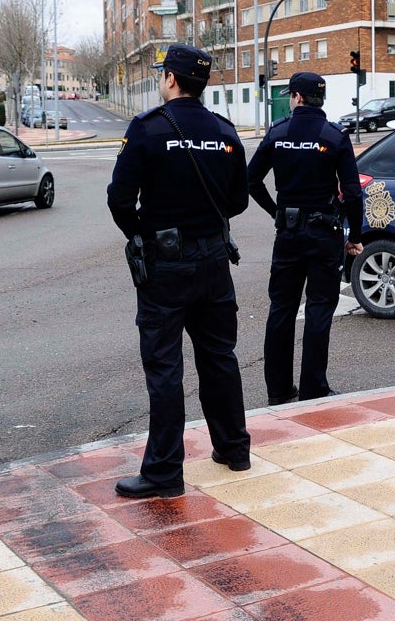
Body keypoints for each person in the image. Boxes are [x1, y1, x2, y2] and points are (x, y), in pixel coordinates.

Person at [106, 44, 251, 499]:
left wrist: (144, 234)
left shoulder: (148, 129)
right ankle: (234, 449)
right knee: (219, 356)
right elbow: (239, 201)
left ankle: (165, 473)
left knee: (165, 367)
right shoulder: (225, 131)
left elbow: (119, 199)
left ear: (170, 79)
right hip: (213, 260)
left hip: (166, 265)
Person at [247, 72, 364, 405]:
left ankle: (279, 392)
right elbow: (353, 193)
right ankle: (313, 388)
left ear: (297, 98)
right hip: (324, 232)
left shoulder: (278, 133)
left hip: (289, 231)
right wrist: (354, 235)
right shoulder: (335, 136)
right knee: (318, 310)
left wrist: (276, 213)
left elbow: (251, 180)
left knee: (281, 309)